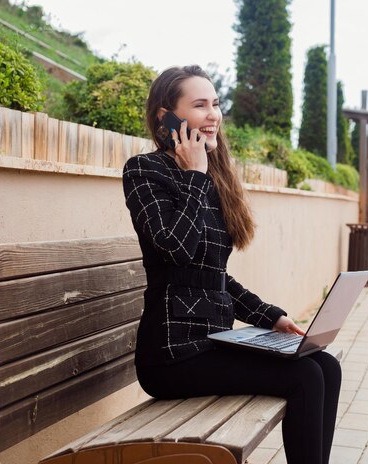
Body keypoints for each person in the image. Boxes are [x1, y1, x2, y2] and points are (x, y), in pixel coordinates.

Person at [122, 65, 341, 464]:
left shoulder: (211, 176)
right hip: (170, 355)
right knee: (305, 377)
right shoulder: (144, 171)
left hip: (211, 343)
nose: (213, 115)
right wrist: (194, 177)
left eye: (216, 104)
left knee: (324, 364)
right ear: (165, 116)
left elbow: (214, 275)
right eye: (200, 105)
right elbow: (175, 248)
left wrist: (270, 317)